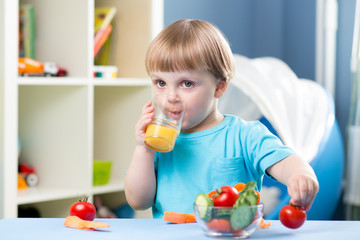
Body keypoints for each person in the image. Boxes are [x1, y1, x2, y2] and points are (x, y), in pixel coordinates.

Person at [124, 19, 319, 219]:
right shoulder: (158, 142)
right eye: (161, 82)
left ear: (219, 87)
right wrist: (143, 149)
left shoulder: (245, 134)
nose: (171, 96)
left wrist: (300, 175)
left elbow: (286, 162)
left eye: (187, 84)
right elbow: (138, 201)